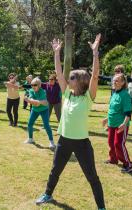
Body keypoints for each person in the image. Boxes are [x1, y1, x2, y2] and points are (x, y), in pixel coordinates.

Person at [36, 34, 106, 210]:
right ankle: (48, 194)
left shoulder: (88, 98)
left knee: (92, 177)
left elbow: (95, 76)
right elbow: (58, 73)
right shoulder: (66, 94)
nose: (69, 78)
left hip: (82, 143)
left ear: (81, 81)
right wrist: (56, 53)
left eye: (73, 77)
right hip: (64, 141)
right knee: (55, 171)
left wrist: (95, 53)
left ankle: (101, 207)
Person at [102, 73, 132, 173]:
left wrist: (124, 124)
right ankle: (113, 159)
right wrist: (107, 119)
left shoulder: (125, 95)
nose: (114, 82)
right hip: (111, 124)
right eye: (113, 80)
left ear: (123, 83)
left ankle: (128, 164)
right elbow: (112, 109)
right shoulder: (114, 93)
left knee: (118, 144)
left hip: (121, 125)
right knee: (111, 142)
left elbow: (128, 113)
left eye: (117, 80)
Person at [24, 77, 55, 149]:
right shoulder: (31, 90)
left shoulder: (42, 91)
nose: (33, 86)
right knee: (30, 124)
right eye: (32, 85)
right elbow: (34, 102)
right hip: (35, 110)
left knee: (46, 125)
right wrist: (32, 101)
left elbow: (36, 103)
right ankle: (30, 139)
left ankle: (52, 142)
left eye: (35, 85)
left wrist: (28, 100)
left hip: (44, 110)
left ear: (39, 85)